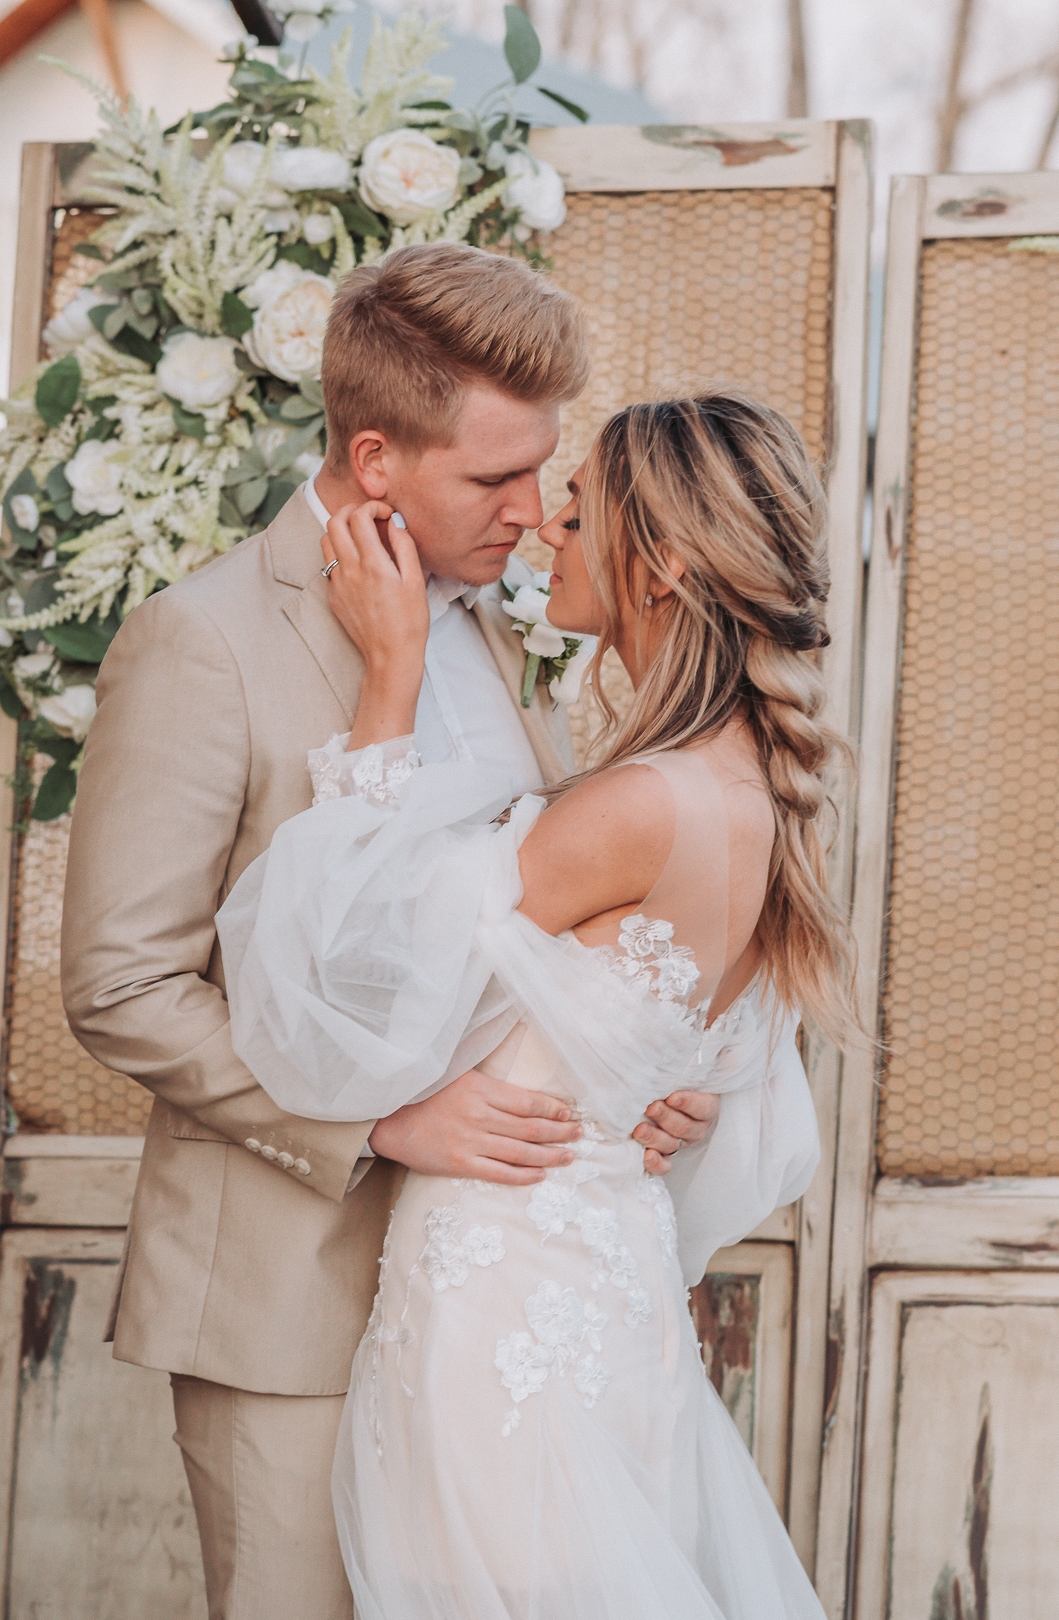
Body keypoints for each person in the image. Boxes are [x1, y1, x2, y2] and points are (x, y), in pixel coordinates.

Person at [61, 244, 721, 1620]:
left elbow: (509, 935)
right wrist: (378, 1121)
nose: (537, 514)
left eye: (543, 472)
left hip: (487, 1308)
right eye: (496, 478)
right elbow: (122, 982)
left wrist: (619, 1072)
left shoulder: (500, 629)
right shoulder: (204, 641)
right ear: (375, 462)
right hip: (285, 1307)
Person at [216, 391, 858, 1618]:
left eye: (580, 506)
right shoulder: (751, 792)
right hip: (607, 1295)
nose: (551, 526)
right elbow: (699, 1071)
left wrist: (391, 678)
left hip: (502, 1303)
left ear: (660, 561)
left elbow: (349, 980)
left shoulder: (630, 807)